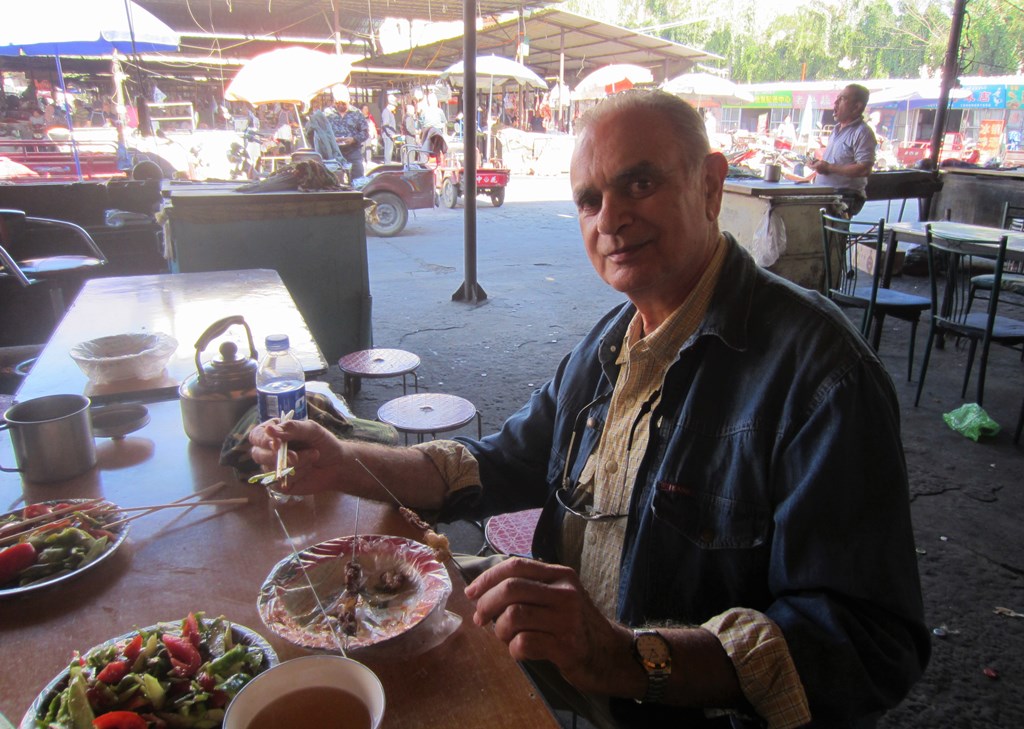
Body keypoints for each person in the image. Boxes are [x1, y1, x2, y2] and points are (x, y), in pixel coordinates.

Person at [250, 89, 928, 728]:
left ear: (710, 185)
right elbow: (501, 462)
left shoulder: (820, 375)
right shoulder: (611, 342)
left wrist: (620, 655)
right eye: (588, 199)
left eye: (639, 183)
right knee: (364, 648)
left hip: (681, 707)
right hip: (581, 665)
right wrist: (343, 462)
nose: (610, 219)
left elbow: (870, 643)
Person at [806, 84, 876, 215]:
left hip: (844, 196)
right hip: (827, 193)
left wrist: (829, 168)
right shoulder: (836, 129)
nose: (835, 103)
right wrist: (819, 165)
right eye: (837, 99)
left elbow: (864, 169)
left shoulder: (862, 132)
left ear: (857, 107)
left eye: (842, 99)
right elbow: (836, 161)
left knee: (826, 233)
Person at [325, 85, 369, 180]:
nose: (340, 105)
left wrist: (354, 139)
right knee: (333, 180)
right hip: (334, 153)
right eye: (338, 103)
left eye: (343, 103)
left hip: (353, 152)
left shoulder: (357, 113)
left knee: (358, 179)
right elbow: (320, 132)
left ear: (349, 100)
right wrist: (332, 139)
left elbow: (365, 133)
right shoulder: (327, 113)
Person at [380, 95, 398, 163]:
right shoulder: (386, 112)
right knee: (388, 151)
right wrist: (391, 134)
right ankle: (387, 164)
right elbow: (385, 125)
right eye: (394, 106)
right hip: (387, 135)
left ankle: (388, 163)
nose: (395, 108)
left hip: (389, 135)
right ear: (391, 105)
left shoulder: (389, 112)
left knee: (389, 151)